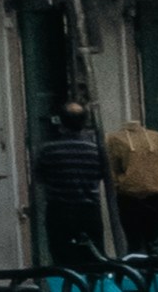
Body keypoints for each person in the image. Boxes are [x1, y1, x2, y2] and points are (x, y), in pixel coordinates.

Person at [33, 97, 111, 268]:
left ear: (61, 122)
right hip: (89, 211)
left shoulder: (48, 150)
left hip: (60, 211)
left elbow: (39, 177)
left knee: (63, 260)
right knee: (93, 259)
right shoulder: (96, 150)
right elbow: (101, 176)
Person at [105, 110, 158, 256]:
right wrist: (121, 184)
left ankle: (153, 273)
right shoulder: (115, 139)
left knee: (153, 240)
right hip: (128, 196)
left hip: (155, 194)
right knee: (134, 240)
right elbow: (112, 166)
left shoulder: (155, 137)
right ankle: (136, 272)